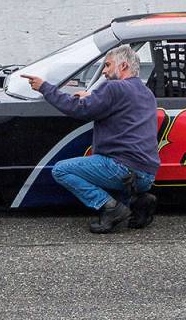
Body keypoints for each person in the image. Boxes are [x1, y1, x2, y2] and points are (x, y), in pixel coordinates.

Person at [22, 44, 160, 234]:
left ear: (124, 66)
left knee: (61, 170)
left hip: (122, 169)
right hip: (145, 175)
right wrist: (92, 96)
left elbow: (79, 109)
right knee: (111, 175)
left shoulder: (113, 88)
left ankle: (111, 209)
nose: (104, 71)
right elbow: (117, 104)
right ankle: (139, 201)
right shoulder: (146, 93)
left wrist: (45, 88)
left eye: (108, 65)